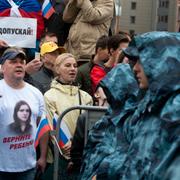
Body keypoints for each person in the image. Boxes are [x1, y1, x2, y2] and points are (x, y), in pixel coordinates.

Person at [82, 31, 180, 179]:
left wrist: (104, 172)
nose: (135, 68)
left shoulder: (173, 112)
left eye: (143, 60)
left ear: (162, 63)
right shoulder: (150, 108)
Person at [0, 47, 49, 179]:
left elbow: (43, 127)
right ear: (2, 68)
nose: (19, 65)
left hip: (28, 167)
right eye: (13, 61)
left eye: (22, 62)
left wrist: (43, 157)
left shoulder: (36, 93)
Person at [44, 53, 93, 175]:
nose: (73, 69)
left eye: (75, 66)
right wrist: (64, 145)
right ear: (57, 69)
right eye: (68, 65)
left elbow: (90, 127)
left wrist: (77, 146)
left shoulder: (85, 96)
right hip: (58, 156)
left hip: (80, 155)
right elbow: (50, 127)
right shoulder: (49, 96)